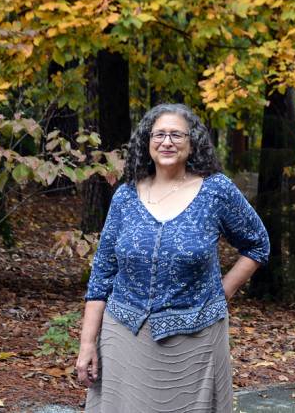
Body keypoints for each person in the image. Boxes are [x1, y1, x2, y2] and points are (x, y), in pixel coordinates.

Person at [76, 103, 269, 412]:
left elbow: (258, 244)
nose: (167, 142)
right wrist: (87, 343)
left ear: (193, 143)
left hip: (195, 338)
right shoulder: (125, 196)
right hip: (124, 333)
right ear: (147, 141)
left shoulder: (216, 190)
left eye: (177, 135)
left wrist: (224, 290)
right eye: (160, 134)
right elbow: (101, 275)